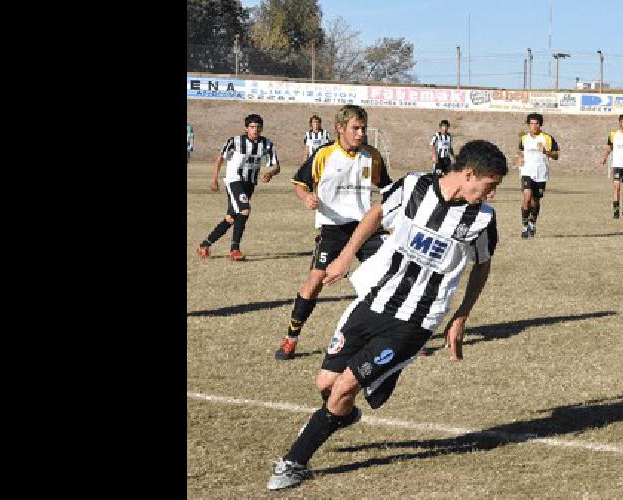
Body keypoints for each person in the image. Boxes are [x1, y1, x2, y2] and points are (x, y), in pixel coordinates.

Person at [266, 140, 507, 491]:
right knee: (326, 384)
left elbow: (482, 266)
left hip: (415, 320)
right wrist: (347, 254)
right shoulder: (413, 187)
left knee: (344, 387)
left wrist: (460, 317)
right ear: (469, 174)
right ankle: (349, 408)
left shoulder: (482, 219)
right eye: (490, 185)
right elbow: (378, 212)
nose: (492, 195)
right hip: (374, 301)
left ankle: (293, 463)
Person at [275, 105, 393, 361]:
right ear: (340, 128)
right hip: (333, 229)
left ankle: (392, 337)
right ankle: (291, 337)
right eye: (355, 128)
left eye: (363, 128)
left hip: (366, 228)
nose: (361, 133)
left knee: (388, 276)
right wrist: (306, 196)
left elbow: (387, 187)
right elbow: (299, 183)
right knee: (315, 282)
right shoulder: (324, 154)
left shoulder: (372, 156)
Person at [197, 114, 280, 261]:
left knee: (231, 217)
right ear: (246, 128)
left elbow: (276, 166)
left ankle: (204, 245)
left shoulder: (267, 144)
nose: (255, 130)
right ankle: (235, 249)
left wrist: (270, 173)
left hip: (250, 183)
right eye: (252, 127)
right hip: (234, 180)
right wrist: (214, 179)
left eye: (258, 127)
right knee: (244, 210)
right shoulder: (235, 141)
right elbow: (220, 159)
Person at [517, 112, 559, 238]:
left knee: (535, 201)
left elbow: (556, 155)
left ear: (540, 125)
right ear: (528, 125)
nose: (534, 126)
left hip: (541, 173)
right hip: (526, 171)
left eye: (536, 124)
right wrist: (519, 159)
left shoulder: (547, 138)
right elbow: (520, 152)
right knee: (527, 197)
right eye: (531, 124)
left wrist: (546, 152)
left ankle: (532, 222)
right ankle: (524, 226)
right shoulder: (524, 138)